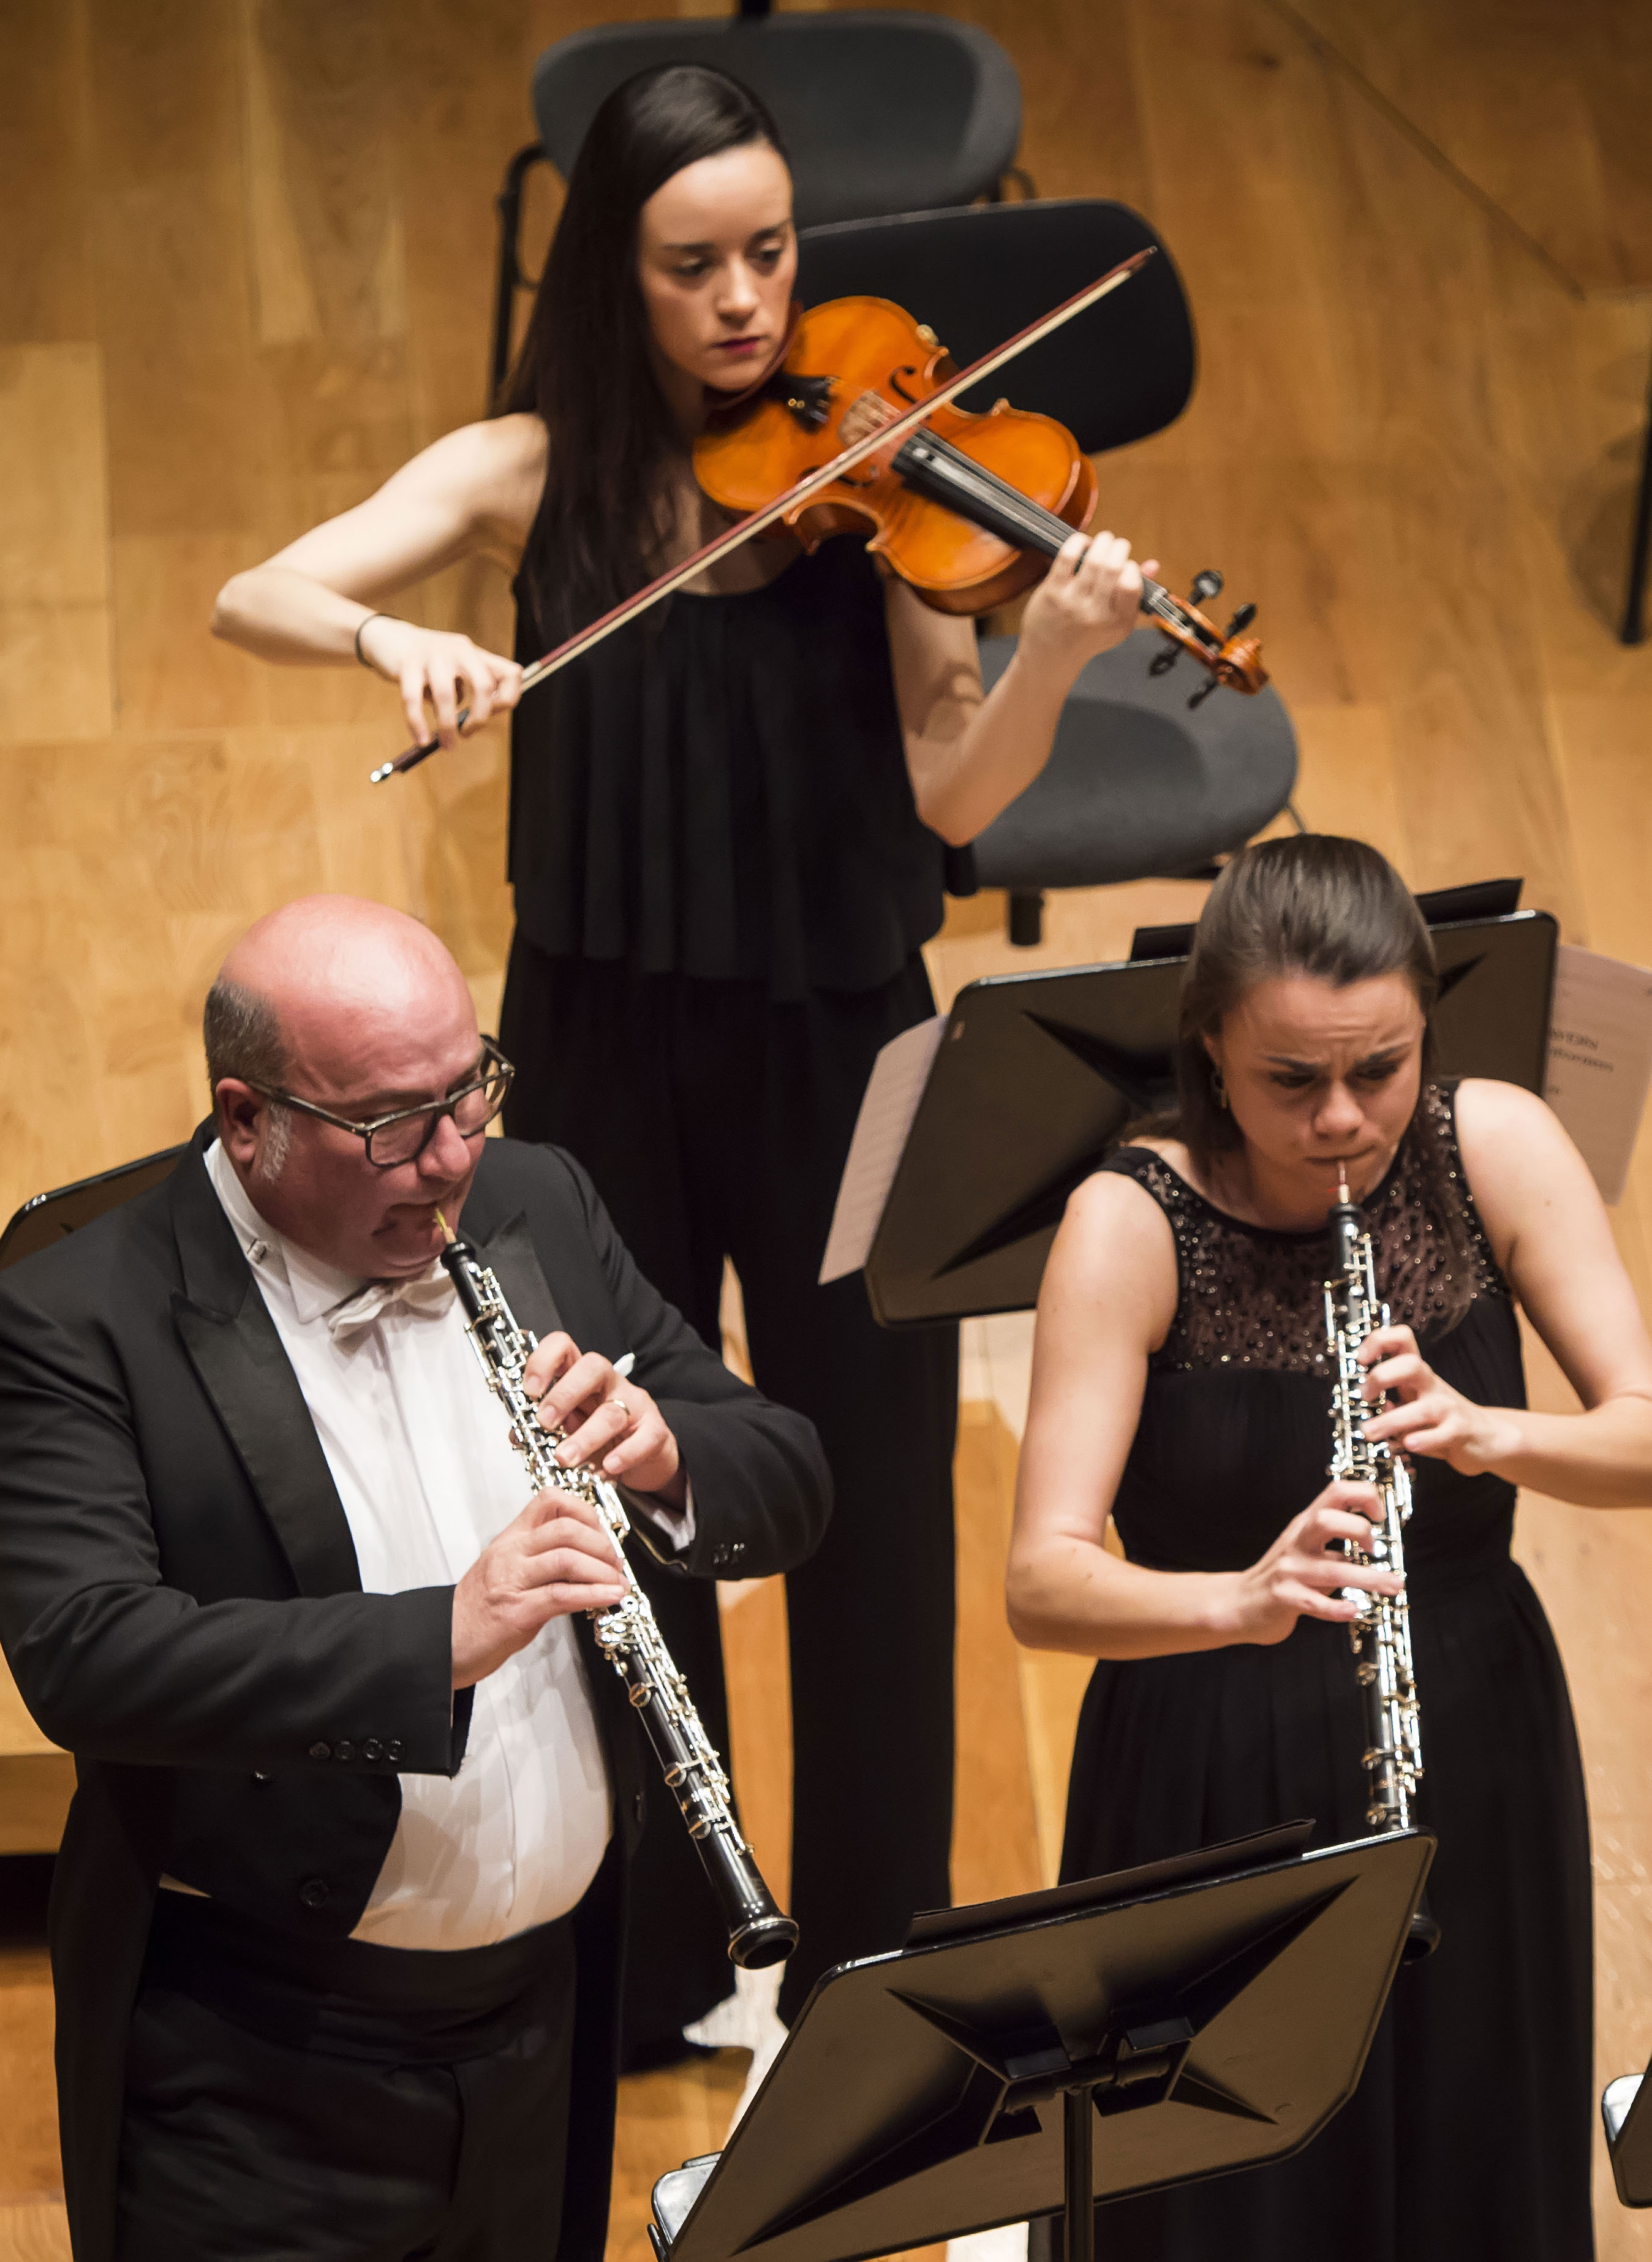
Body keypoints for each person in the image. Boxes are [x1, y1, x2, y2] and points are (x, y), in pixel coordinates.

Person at [208, 63, 1155, 2041]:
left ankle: (874, 1965)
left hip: (840, 1046)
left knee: (871, 1496)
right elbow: (256, 590)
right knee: (623, 1480)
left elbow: (952, 792)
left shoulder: (879, 496)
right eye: (692, 264)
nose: (743, 301)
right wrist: (394, 642)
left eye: (770, 253)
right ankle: (660, 1953)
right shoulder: (529, 472)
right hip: (596, 1046)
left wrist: (1056, 653)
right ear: (612, 276)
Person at [0, 894, 831, 2262]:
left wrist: (667, 1455)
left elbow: (785, 1469)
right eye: (389, 1125)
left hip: (545, 2034)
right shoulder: (76, 1317)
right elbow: (89, 1651)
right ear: (246, 1119)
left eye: (467, 1092)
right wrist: (441, 1636)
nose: (450, 1159)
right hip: (257, 2085)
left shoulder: (538, 1200)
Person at [1006, 835, 1652, 2261]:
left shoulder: (1489, 1144)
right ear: (1210, 1046)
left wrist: (1486, 1432)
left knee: (1468, 2140)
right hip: (1208, 1770)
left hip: (1470, 1727)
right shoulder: (1128, 1224)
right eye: (1289, 1080)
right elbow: (1042, 1580)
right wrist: (1237, 1600)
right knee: (1226, 2203)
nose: (1339, 1118)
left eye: (1377, 1069)